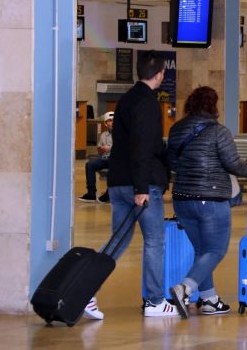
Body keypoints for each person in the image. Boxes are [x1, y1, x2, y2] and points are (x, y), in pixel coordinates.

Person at [95, 51, 179, 318]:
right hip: (139, 184)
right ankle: (155, 301)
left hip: (119, 181)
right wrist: (142, 188)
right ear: (160, 75)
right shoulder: (147, 102)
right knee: (155, 240)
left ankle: (84, 290)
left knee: (119, 240)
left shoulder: (127, 99)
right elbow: (142, 146)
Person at [166, 86, 247, 319]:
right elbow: (234, 165)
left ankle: (210, 300)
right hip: (210, 199)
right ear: (213, 105)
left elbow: (172, 163)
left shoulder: (176, 129)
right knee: (216, 249)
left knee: (202, 251)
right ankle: (185, 288)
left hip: (182, 199)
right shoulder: (220, 132)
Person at [78, 111, 114, 203]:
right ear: (106, 123)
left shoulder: (121, 134)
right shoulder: (103, 135)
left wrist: (109, 149)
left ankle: (108, 194)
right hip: (105, 158)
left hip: (116, 159)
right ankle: (91, 193)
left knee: (115, 167)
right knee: (90, 165)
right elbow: (100, 150)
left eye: (114, 120)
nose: (112, 122)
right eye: (110, 120)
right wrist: (101, 150)